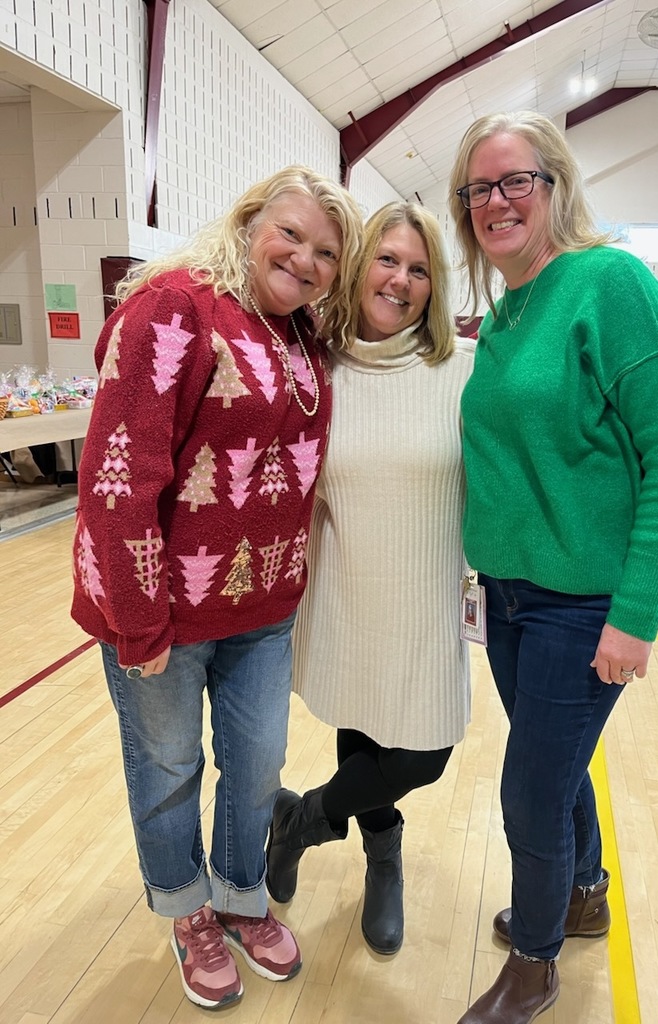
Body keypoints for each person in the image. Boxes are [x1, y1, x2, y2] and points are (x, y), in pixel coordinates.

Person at [70, 166, 363, 1010]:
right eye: (291, 235)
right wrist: (138, 619)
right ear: (248, 222)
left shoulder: (303, 336)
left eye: (324, 253)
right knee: (167, 766)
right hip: (161, 609)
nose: (305, 260)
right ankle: (187, 909)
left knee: (258, 761)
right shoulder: (176, 306)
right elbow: (119, 476)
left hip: (262, 608)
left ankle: (240, 891)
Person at [447, 112, 658, 1023]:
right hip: (512, 599)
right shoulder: (510, 310)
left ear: (556, 184)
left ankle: (537, 961)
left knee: (528, 789)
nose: (496, 202)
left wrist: (635, 616)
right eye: (478, 189)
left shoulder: (613, 282)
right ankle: (584, 891)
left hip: (581, 602)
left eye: (515, 180)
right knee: (558, 771)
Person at [265, 201, 475, 955]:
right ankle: (382, 861)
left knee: (426, 750)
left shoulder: (464, 368)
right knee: (362, 729)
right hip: (348, 593)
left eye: (419, 269)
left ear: (435, 286)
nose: (401, 279)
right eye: (387, 260)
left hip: (425, 601)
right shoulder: (319, 371)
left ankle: (299, 822)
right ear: (358, 269)